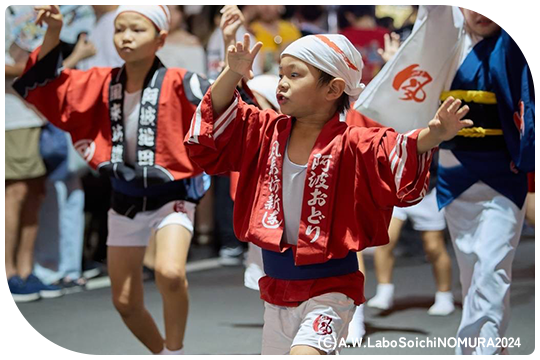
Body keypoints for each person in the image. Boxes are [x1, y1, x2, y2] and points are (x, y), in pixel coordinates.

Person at [185, 31, 472, 354]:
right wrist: (232, 72)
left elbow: (394, 149)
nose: (282, 83)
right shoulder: (265, 131)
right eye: (281, 74)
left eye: (294, 75)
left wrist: (433, 134)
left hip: (331, 287)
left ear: (333, 88)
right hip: (278, 286)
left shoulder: (352, 141)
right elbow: (219, 118)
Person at [14, 5, 211, 355]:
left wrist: (235, 68)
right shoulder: (100, 81)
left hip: (172, 194)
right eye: (120, 29)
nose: (126, 37)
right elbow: (46, 84)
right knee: (124, 302)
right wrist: (54, 32)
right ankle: (161, 352)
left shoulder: (182, 81)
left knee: (168, 272)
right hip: (124, 196)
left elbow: (222, 107)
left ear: (160, 38)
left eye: (137, 29)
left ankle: (177, 350)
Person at [435, 5, 535, 355]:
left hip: (503, 174)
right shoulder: (440, 40)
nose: (483, 9)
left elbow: (522, 14)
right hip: (453, 175)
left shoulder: (517, 36)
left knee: (493, 267)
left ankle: (485, 350)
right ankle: (479, 349)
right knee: (472, 271)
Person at [5, 5, 63, 302]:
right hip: (11, 118)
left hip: (38, 116)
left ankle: (26, 271)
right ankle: (8, 273)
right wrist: (37, 70)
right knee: (15, 193)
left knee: (35, 193)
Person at [367, 181, 455, 316]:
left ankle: (444, 296)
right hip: (396, 191)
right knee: (385, 239)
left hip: (427, 192)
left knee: (433, 246)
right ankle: (384, 290)